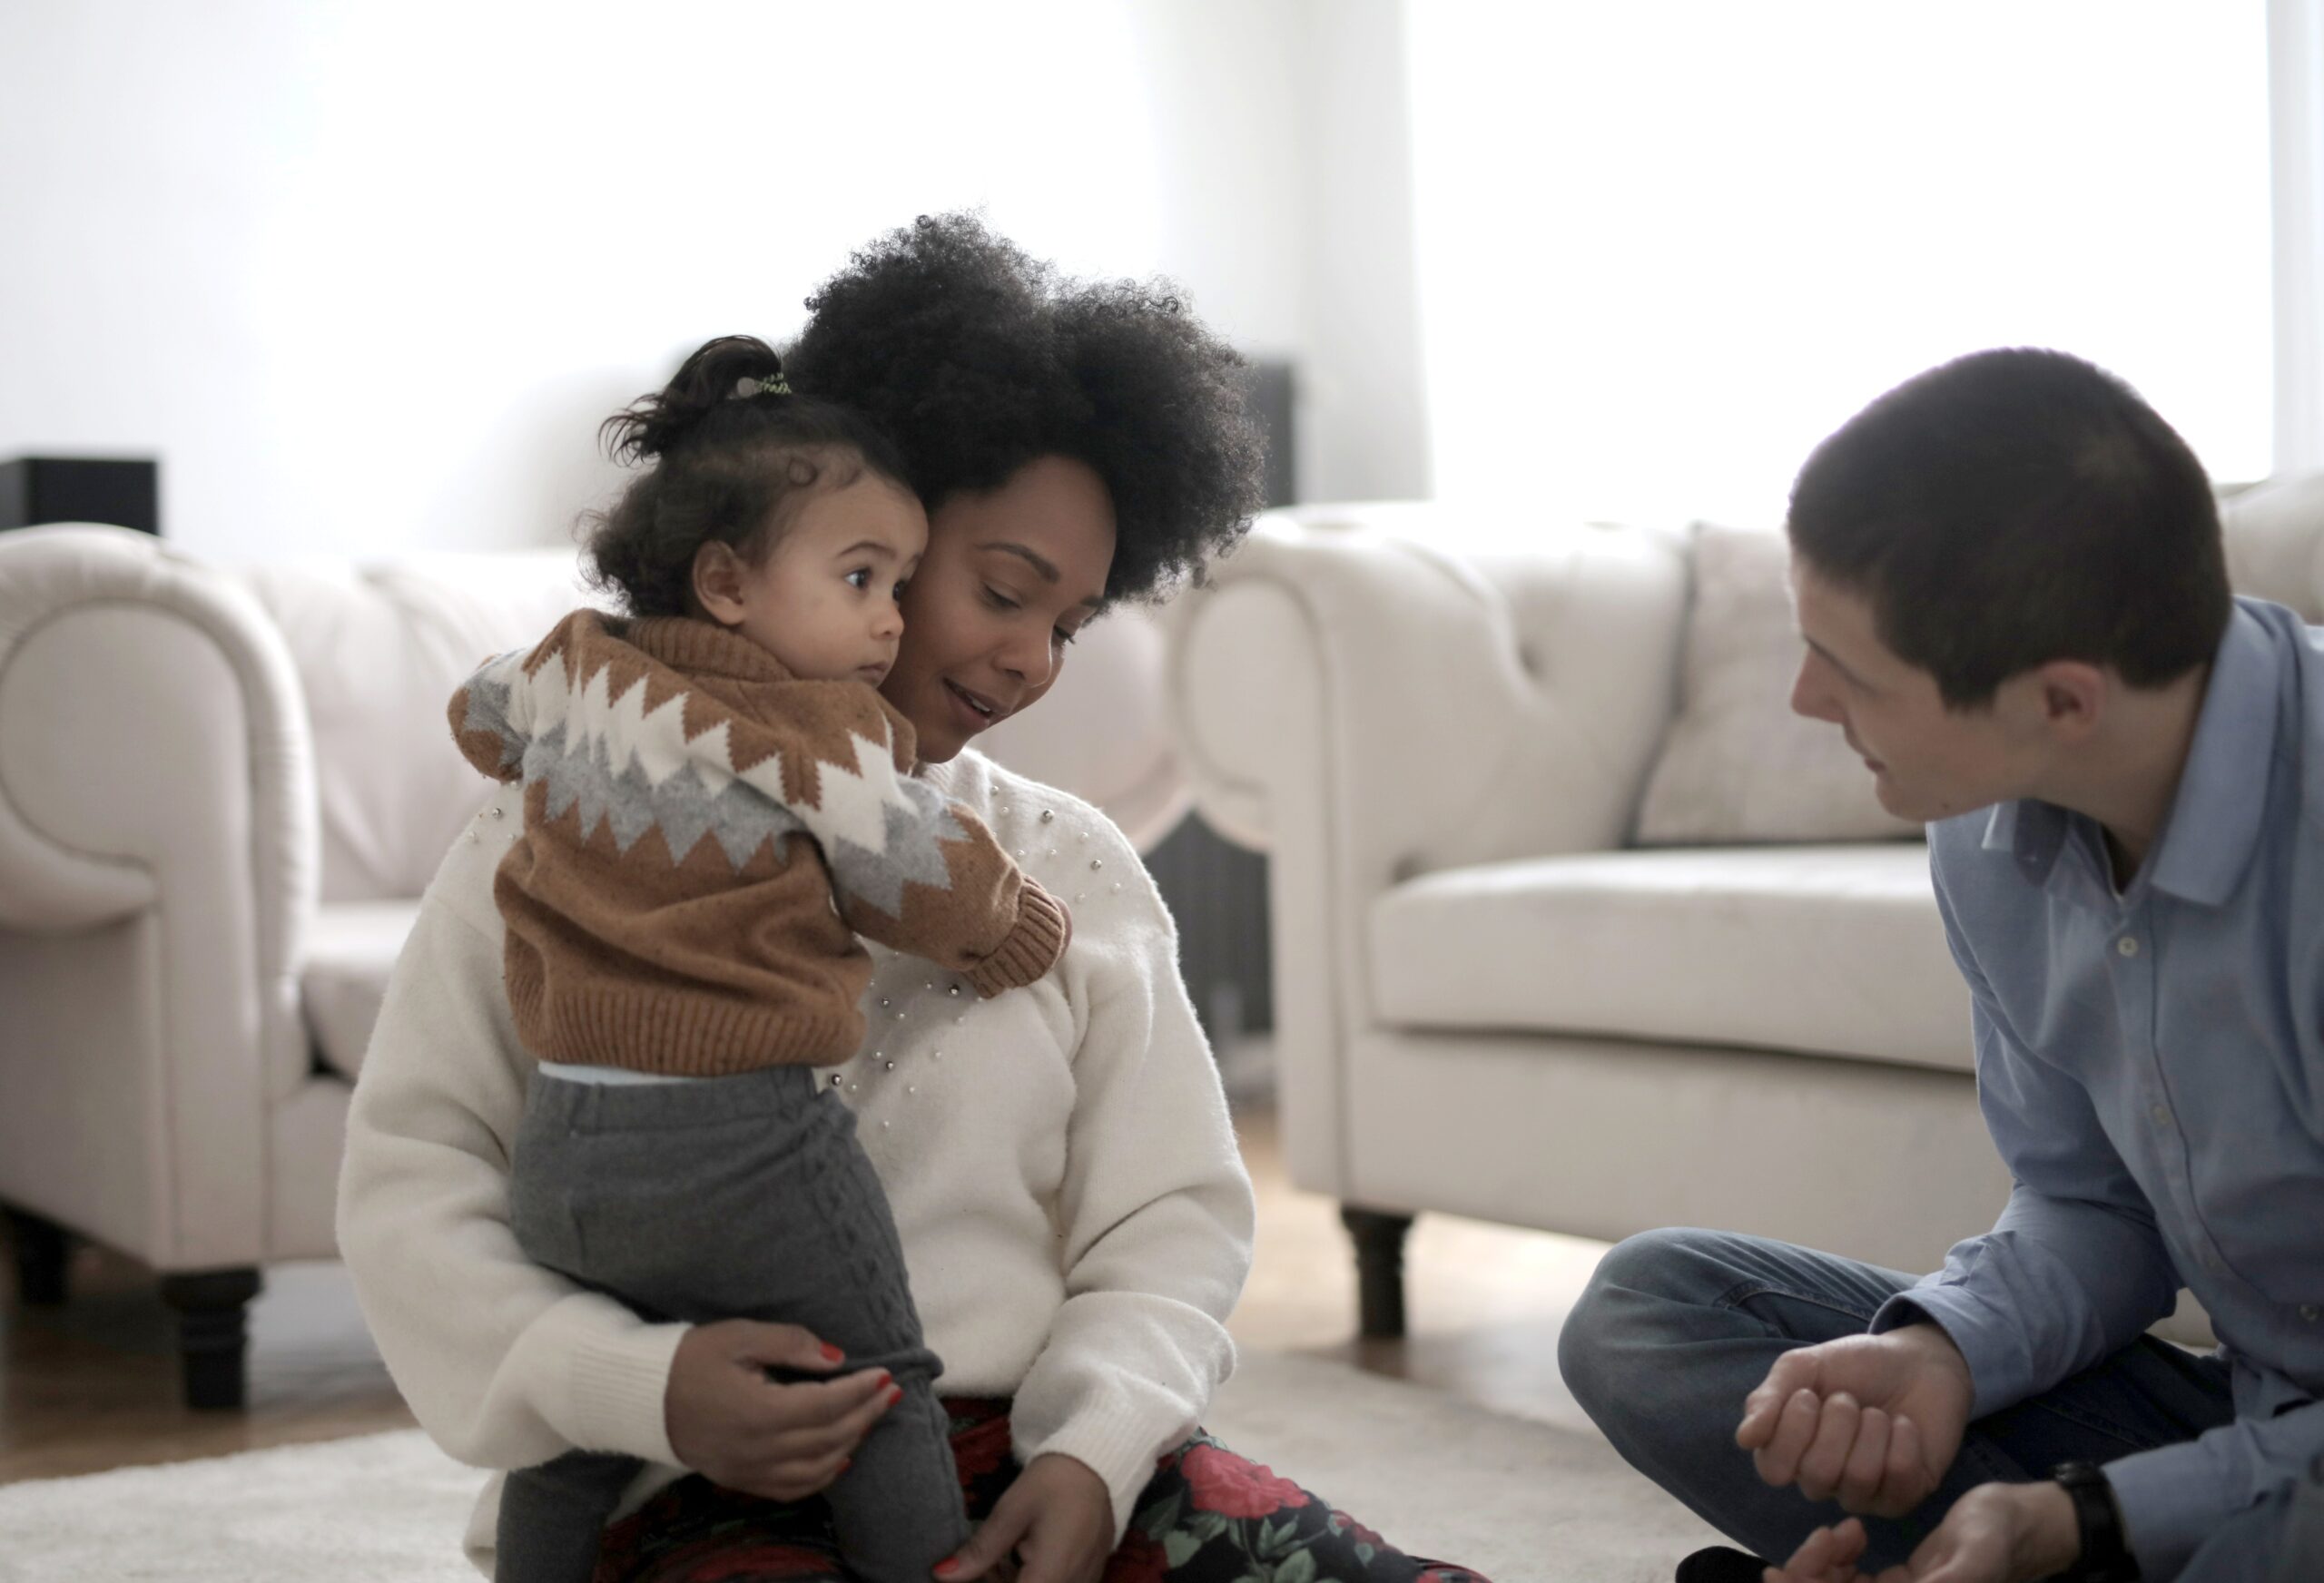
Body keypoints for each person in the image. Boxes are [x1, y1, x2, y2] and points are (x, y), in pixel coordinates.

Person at [338, 212, 1490, 1583]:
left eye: (1067, 623)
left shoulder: (1067, 871)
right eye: (1002, 591)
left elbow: (1171, 1216)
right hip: (680, 1480)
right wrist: (635, 1388)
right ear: (861, 534)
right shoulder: (562, 821)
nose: (1029, 661)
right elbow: (413, 1192)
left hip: (1034, 1463)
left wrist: (1095, 1450)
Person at [1557, 348, 2324, 1583]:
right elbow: (2092, 1207)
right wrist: (1943, 1352)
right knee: (1648, 1312)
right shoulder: (1985, 824)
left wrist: (2089, 1514)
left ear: (2063, 703)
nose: (1807, 700)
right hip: (2249, 1420)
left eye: (1851, 671)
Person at [454, 334, 1076, 1583]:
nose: (887, 619)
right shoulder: (824, 738)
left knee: (569, 1442)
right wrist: (1032, 930)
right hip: (744, 1147)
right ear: (729, 583)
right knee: (880, 1387)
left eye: (899, 583)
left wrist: (546, 736)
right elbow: (938, 889)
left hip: (567, 1146)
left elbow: (477, 712)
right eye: (859, 579)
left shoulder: (574, 666)